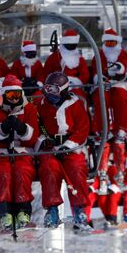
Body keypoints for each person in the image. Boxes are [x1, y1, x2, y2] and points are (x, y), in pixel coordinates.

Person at [0, 75, 38, 232]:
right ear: (3, 95)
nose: (14, 99)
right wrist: (2, 128)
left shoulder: (28, 108)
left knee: (21, 171)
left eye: (17, 95)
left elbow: (32, 137)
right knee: (3, 173)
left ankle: (23, 210)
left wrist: (22, 129)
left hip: (21, 151)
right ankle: (5, 212)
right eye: (10, 95)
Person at [36, 71, 91, 231]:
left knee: (76, 169)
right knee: (49, 169)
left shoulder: (75, 105)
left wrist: (69, 144)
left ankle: (79, 209)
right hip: (50, 147)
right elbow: (37, 125)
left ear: (63, 89)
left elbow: (82, 128)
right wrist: (45, 141)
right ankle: (52, 210)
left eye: (53, 89)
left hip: (71, 148)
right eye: (47, 89)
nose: (49, 93)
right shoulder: (42, 105)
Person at [90, 29, 127, 190]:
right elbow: (96, 70)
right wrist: (101, 77)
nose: (110, 46)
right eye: (108, 43)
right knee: (101, 98)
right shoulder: (99, 55)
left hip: (118, 85)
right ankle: (102, 129)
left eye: (112, 43)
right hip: (103, 85)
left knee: (120, 98)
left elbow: (122, 68)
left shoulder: (122, 54)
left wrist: (115, 71)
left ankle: (121, 129)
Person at [43, 29, 90, 103]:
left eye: (73, 45)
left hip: (75, 87)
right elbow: (46, 72)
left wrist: (76, 82)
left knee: (79, 99)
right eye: (69, 44)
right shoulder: (55, 57)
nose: (71, 46)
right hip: (57, 87)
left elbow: (85, 74)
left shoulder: (79, 59)